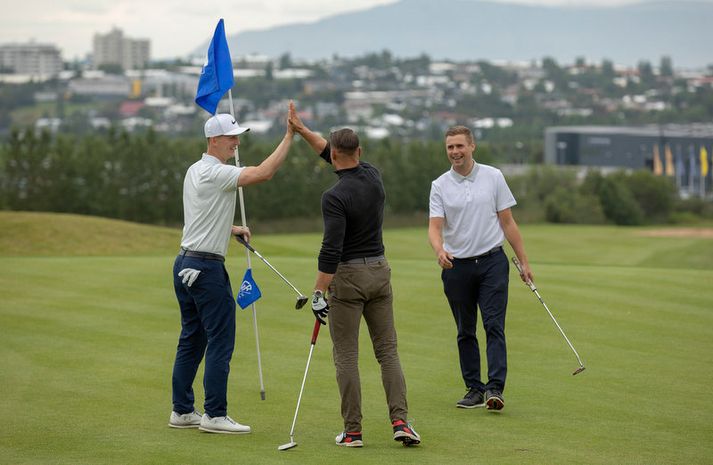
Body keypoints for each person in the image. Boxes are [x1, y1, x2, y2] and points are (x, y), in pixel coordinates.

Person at [288, 103, 421, 447]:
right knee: (387, 352)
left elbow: (331, 249)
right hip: (379, 272)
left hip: (346, 278)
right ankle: (401, 422)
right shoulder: (373, 175)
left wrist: (318, 293)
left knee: (346, 356)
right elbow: (331, 154)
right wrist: (303, 131)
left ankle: (354, 431)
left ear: (334, 155)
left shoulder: (333, 197)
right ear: (359, 152)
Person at [168, 110, 295, 434]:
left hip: (185, 263)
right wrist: (289, 137)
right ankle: (214, 414)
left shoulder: (195, 170)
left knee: (192, 339)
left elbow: (202, 216)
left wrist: (230, 227)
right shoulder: (215, 172)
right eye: (231, 138)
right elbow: (264, 173)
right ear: (213, 140)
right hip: (206, 268)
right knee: (220, 341)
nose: (236, 143)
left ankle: (182, 411)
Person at [428, 125, 533, 412]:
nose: (455, 152)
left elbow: (508, 222)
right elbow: (435, 228)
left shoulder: (493, 176)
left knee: (493, 325)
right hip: (456, 266)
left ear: (472, 146)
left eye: (460, 146)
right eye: (450, 147)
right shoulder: (440, 185)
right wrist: (439, 250)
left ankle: (494, 388)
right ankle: (474, 388)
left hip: (492, 263)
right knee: (465, 330)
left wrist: (523, 260)